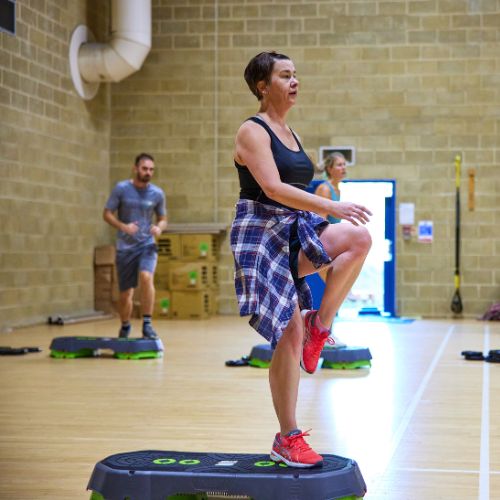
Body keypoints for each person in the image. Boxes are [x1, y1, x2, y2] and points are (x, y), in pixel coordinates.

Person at [230, 52, 372, 468]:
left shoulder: (289, 131)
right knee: (287, 335)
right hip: (260, 234)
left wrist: (324, 213)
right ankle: (287, 437)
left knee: (358, 240)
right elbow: (272, 188)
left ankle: (321, 325)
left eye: (296, 75)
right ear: (262, 85)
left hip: (293, 226)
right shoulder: (251, 131)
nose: (295, 81)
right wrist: (331, 208)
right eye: (285, 75)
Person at [103, 153, 167, 339]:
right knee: (126, 295)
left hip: (147, 244)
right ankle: (125, 325)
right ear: (135, 168)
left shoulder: (157, 193)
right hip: (125, 247)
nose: (148, 172)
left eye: (151, 169)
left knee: (146, 277)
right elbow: (107, 214)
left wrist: (159, 227)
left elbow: (163, 218)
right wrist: (123, 226)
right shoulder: (121, 189)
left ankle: (147, 324)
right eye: (145, 168)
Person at [315, 152, 347, 223]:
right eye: (339, 165)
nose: (343, 167)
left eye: (344, 164)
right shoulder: (325, 189)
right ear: (329, 169)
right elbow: (321, 222)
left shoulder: (338, 189)